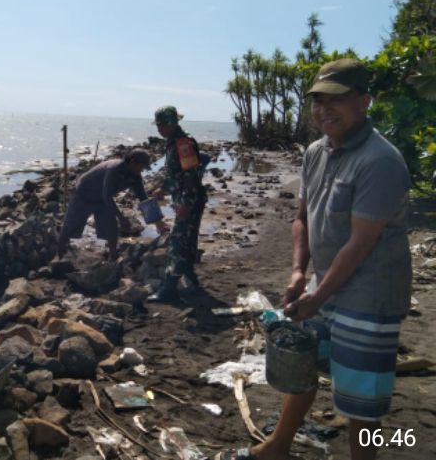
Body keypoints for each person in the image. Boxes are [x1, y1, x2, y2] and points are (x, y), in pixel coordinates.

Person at [217, 59, 412, 460]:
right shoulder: (315, 152)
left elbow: (360, 243)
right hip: (324, 284)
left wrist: (316, 296)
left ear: (364, 101)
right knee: (301, 368)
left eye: (336, 99)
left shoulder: (380, 161)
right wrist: (297, 272)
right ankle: (278, 446)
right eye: (318, 100)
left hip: (370, 295)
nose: (325, 109)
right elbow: (302, 218)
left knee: (361, 401)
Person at [57, 148, 163, 261]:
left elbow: (143, 199)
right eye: (141, 167)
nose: (142, 170)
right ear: (132, 162)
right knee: (71, 225)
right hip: (84, 193)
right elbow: (107, 196)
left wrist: (158, 222)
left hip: (102, 199)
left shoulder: (135, 176)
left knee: (111, 226)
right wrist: (121, 218)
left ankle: (113, 256)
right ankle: (59, 255)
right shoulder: (114, 169)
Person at [147, 105, 207, 303]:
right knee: (187, 241)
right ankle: (191, 280)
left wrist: (185, 205)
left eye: (162, 125)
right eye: (158, 126)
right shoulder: (174, 142)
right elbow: (175, 172)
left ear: (172, 123)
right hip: (185, 198)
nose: (159, 129)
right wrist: (162, 189)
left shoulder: (183, 143)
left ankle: (169, 289)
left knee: (177, 242)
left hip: (189, 199)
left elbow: (191, 176)